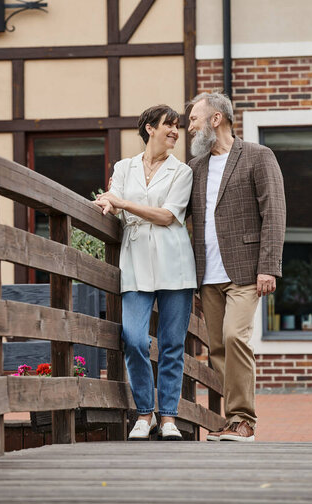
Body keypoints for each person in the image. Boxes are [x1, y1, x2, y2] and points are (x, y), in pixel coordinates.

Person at [187, 91, 286, 442]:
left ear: (217, 119)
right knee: (217, 348)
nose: (190, 128)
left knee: (234, 337)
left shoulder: (258, 156)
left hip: (245, 270)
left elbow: (273, 212)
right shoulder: (195, 167)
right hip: (208, 273)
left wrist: (269, 266)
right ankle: (233, 420)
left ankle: (245, 421)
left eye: (194, 120)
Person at [94, 105, 197, 441]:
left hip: (175, 263)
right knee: (135, 339)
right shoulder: (123, 168)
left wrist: (121, 204)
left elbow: (168, 216)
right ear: (150, 128)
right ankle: (144, 413)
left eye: (178, 127)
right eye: (169, 125)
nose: (175, 132)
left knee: (171, 344)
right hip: (136, 262)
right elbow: (113, 198)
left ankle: (168, 417)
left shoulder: (182, 172)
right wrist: (108, 204)